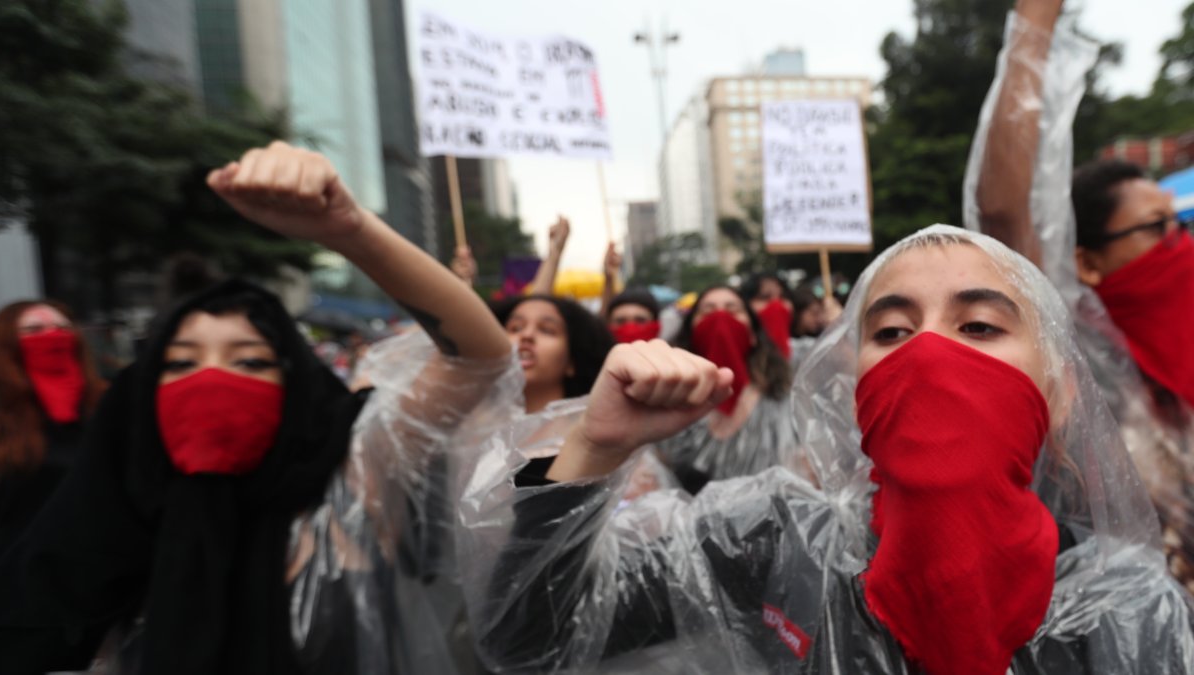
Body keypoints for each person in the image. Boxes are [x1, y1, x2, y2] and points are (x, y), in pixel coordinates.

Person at [457, 225, 1194, 674]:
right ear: (853, 383)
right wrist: (592, 445)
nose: (931, 357)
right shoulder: (770, 537)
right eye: (893, 332)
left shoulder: (1124, 605)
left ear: (1059, 389)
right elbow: (530, 636)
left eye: (978, 328)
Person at [0, 141, 516, 675]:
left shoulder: (351, 481)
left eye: (248, 362)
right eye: (180, 364)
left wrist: (348, 230)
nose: (212, 379)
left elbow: (480, 356)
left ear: (296, 386)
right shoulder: (112, 531)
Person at [965, 0, 1194, 591]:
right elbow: (1004, 214)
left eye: (1182, 225)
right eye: (1155, 228)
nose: (1180, 244)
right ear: (1086, 263)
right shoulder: (1079, 360)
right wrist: (1034, 26)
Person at [656, 285, 801, 494]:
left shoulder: (787, 399)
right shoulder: (667, 400)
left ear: (753, 333)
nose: (721, 317)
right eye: (708, 311)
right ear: (691, 331)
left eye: (733, 310)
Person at [0, 301, 107, 554]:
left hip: (98, 564)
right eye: (34, 330)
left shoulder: (105, 405)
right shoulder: (0, 415)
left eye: (63, 328)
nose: (53, 337)